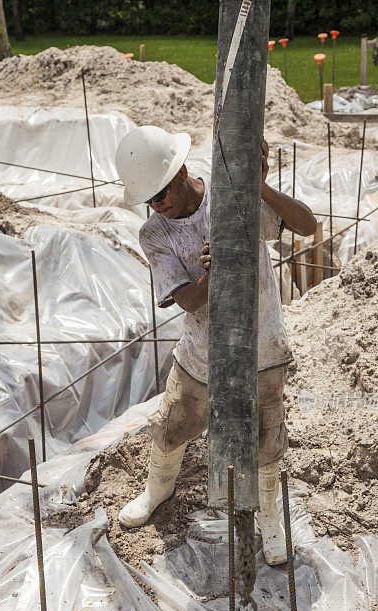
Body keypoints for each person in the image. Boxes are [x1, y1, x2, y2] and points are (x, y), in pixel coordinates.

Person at [114, 125, 316, 565]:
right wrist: (218, 267)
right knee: (171, 426)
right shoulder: (155, 233)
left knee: (265, 437)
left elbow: (307, 225)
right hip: (201, 351)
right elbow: (187, 299)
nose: (160, 203)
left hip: (260, 344)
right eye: (150, 198)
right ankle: (155, 493)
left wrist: (257, 186)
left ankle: (270, 520)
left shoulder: (231, 197)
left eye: (164, 191)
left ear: (183, 171)